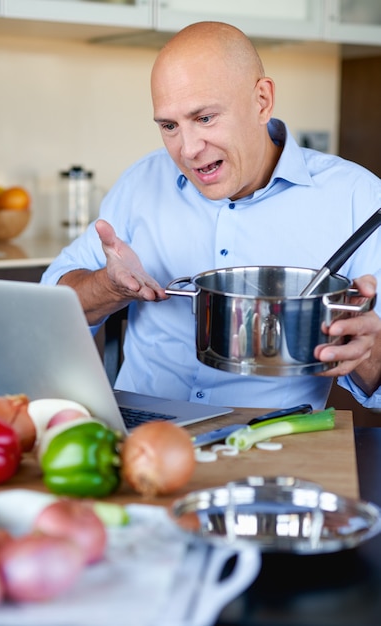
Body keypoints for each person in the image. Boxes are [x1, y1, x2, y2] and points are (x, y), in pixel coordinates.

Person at [42, 21, 381, 412]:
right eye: (169, 126)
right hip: (142, 439)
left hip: (273, 447)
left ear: (262, 100)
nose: (187, 149)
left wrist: (365, 351)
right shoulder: (142, 182)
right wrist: (110, 286)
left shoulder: (358, 198)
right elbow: (51, 311)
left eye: (204, 118)